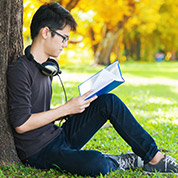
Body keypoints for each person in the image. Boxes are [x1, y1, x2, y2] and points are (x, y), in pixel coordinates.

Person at [7, 2, 178, 177]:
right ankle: (120, 160)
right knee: (96, 164)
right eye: (63, 37)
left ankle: (155, 158)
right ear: (45, 32)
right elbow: (22, 124)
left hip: (57, 136)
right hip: (38, 151)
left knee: (108, 102)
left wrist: (74, 109)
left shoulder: (47, 67)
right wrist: (65, 108)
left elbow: (40, 111)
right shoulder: (20, 70)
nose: (65, 44)